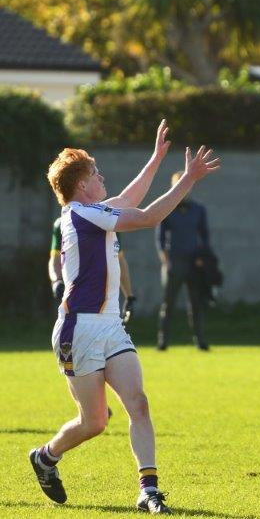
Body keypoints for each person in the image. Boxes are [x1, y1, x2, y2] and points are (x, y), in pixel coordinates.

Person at [29, 120, 220, 514]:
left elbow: (129, 197)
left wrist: (155, 159)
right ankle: (46, 457)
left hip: (110, 327)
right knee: (95, 422)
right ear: (82, 184)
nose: (102, 178)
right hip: (78, 329)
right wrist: (188, 180)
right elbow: (147, 216)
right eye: (96, 174)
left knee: (139, 403)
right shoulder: (81, 215)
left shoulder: (87, 210)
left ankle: (148, 489)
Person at [156, 171, 212, 351]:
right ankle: (163, 341)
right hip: (174, 260)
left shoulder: (199, 209)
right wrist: (166, 261)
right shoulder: (166, 208)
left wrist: (203, 258)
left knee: (196, 303)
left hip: (194, 261)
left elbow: (205, 236)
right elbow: (160, 238)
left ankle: (200, 340)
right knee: (169, 303)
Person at [51, 217, 135, 322]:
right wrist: (56, 281)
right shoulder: (62, 224)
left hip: (104, 299)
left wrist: (129, 296)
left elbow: (118, 259)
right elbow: (55, 258)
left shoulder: (109, 223)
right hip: (75, 297)